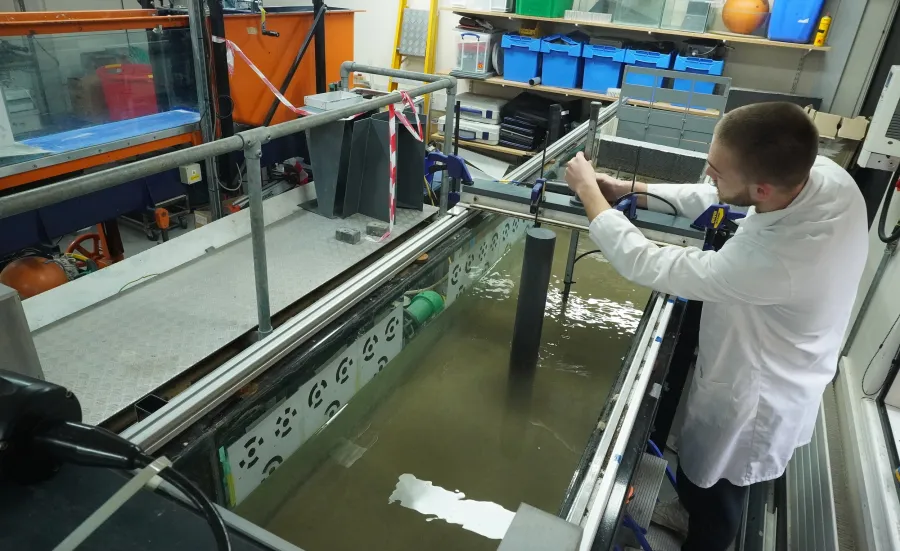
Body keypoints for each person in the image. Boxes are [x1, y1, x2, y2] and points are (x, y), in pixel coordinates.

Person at [564, 102, 869, 551]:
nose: (709, 175)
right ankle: (687, 510)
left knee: (721, 493)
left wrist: (589, 193)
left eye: (716, 170)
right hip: (762, 344)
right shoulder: (820, 174)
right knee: (699, 472)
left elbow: (647, 262)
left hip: (757, 392)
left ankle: (704, 537)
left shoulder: (779, 261)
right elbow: (723, 195)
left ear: (762, 189)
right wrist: (629, 188)